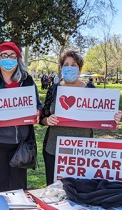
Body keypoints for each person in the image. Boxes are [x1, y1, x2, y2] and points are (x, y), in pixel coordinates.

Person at [40, 50, 122, 186]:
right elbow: (42, 117)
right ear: (61, 68)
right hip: (53, 148)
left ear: (80, 69)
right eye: (66, 64)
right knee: (54, 189)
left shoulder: (90, 89)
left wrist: (113, 116)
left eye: (74, 65)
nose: (70, 68)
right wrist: (47, 120)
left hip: (81, 152)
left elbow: (101, 115)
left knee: (78, 190)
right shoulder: (54, 89)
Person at [0, 41, 42, 192]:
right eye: (4, 55)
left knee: (20, 186)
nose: (8, 59)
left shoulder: (27, 81)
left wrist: (38, 112)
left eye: (13, 56)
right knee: (0, 184)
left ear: (18, 60)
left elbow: (38, 105)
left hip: (20, 142)